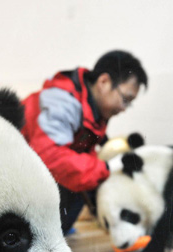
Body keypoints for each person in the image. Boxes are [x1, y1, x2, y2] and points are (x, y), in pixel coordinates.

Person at [20, 50, 148, 234]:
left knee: (86, 178)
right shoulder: (63, 101)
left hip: (33, 169)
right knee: (84, 176)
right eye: (125, 99)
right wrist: (108, 168)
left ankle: (58, 231)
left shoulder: (95, 111)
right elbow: (51, 157)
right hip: (16, 168)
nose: (124, 108)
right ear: (104, 82)